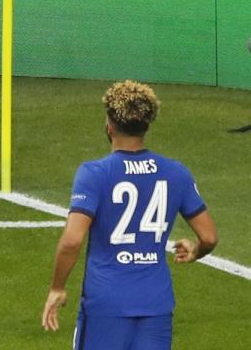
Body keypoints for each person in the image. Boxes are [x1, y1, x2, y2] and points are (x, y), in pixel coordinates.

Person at [41, 80, 219, 349]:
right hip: (156, 304)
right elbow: (209, 236)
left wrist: (57, 288)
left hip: (106, 303)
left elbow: (72, 241)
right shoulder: (176, 172)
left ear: (110, 124)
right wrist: (195, 251)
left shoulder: (94, 174)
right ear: (147, 125)